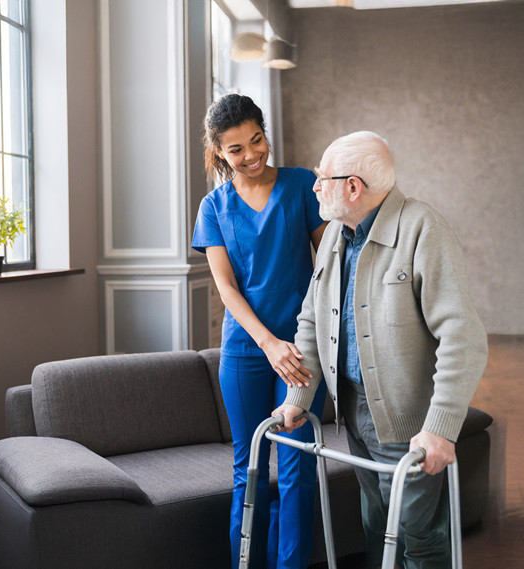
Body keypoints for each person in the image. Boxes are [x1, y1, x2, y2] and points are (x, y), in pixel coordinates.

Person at [273, 131, 488, 569]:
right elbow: (313, 321)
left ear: (352, 186)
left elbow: (463, 337)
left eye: (322, 177)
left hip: (407, 421)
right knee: (375, 522)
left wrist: (441, 428)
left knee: (416, 533)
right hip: (352, 412)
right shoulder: (335, 234)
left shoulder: (421, 228)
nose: (314, 186)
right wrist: (298, 397)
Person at [191, 93, 328, 569]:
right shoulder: (214, 206)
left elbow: (327, 266)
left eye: (257, 139)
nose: (251, 155)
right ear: (218, 154)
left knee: (297, 469)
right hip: (246, 352)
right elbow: (226, 290)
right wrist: (268, 343)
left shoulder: (302, 185)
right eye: (236, 149)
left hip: (302, 350)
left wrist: (301, 341)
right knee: (246, 469)